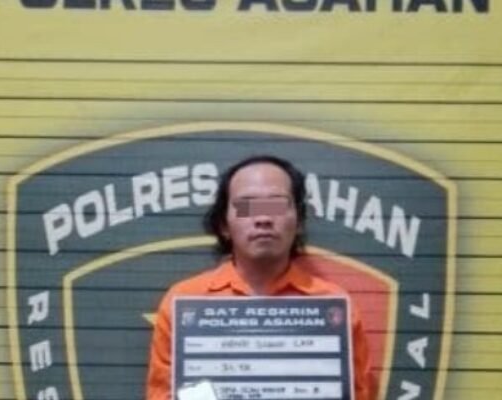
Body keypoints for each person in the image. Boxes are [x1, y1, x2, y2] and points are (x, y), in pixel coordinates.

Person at [145, 155, 374, 400]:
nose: (263, 219)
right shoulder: (184, 301)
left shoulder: (334, 304)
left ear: (299, 221)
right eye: (247, 206)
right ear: (224, 225)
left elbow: (362, 394)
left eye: (276, 205)